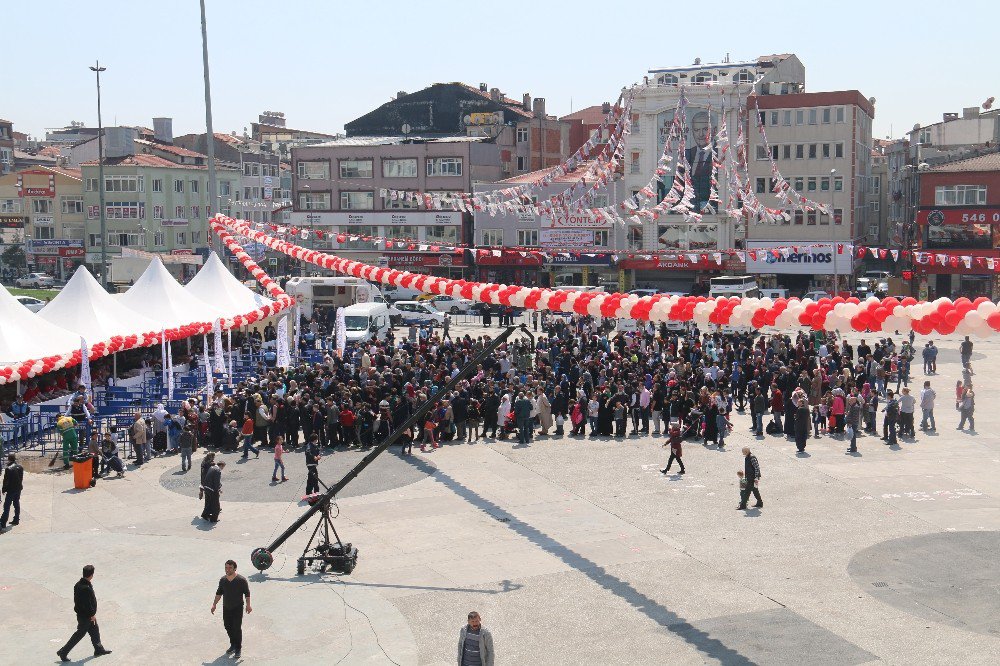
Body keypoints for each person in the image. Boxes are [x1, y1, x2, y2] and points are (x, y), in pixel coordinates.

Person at [57, 564, 112, 661]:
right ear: (91, 575)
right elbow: (87, 604)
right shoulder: (85, 588)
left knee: (95, 631)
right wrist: (92, 615)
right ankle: (63, 651)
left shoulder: (78, 584)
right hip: (86, 617)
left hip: (84, 615)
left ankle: (99, 649)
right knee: (79, 634)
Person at [211, 560, 252, 660]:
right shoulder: (223, 580)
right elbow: (219, 593)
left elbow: (247, 593)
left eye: (229, 568)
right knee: (227, 626)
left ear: (234, 568)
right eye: (226, 567)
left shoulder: (241, 580)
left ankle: (238, 648)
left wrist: (248, 605)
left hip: (237, 608)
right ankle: (233, 644)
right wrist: (214, 604)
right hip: (226, 607)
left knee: (236, 628)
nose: (227, 570)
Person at [1, 453, 24, 529]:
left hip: (11, 490)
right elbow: (21, 478)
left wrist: (4, 489)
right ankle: (16, 519)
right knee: (16, 504)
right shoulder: (20, 467)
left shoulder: (8, 469)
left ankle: (3, 523)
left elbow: (6, 481)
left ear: (9, 459)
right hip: (18, 489)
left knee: (7, 506)